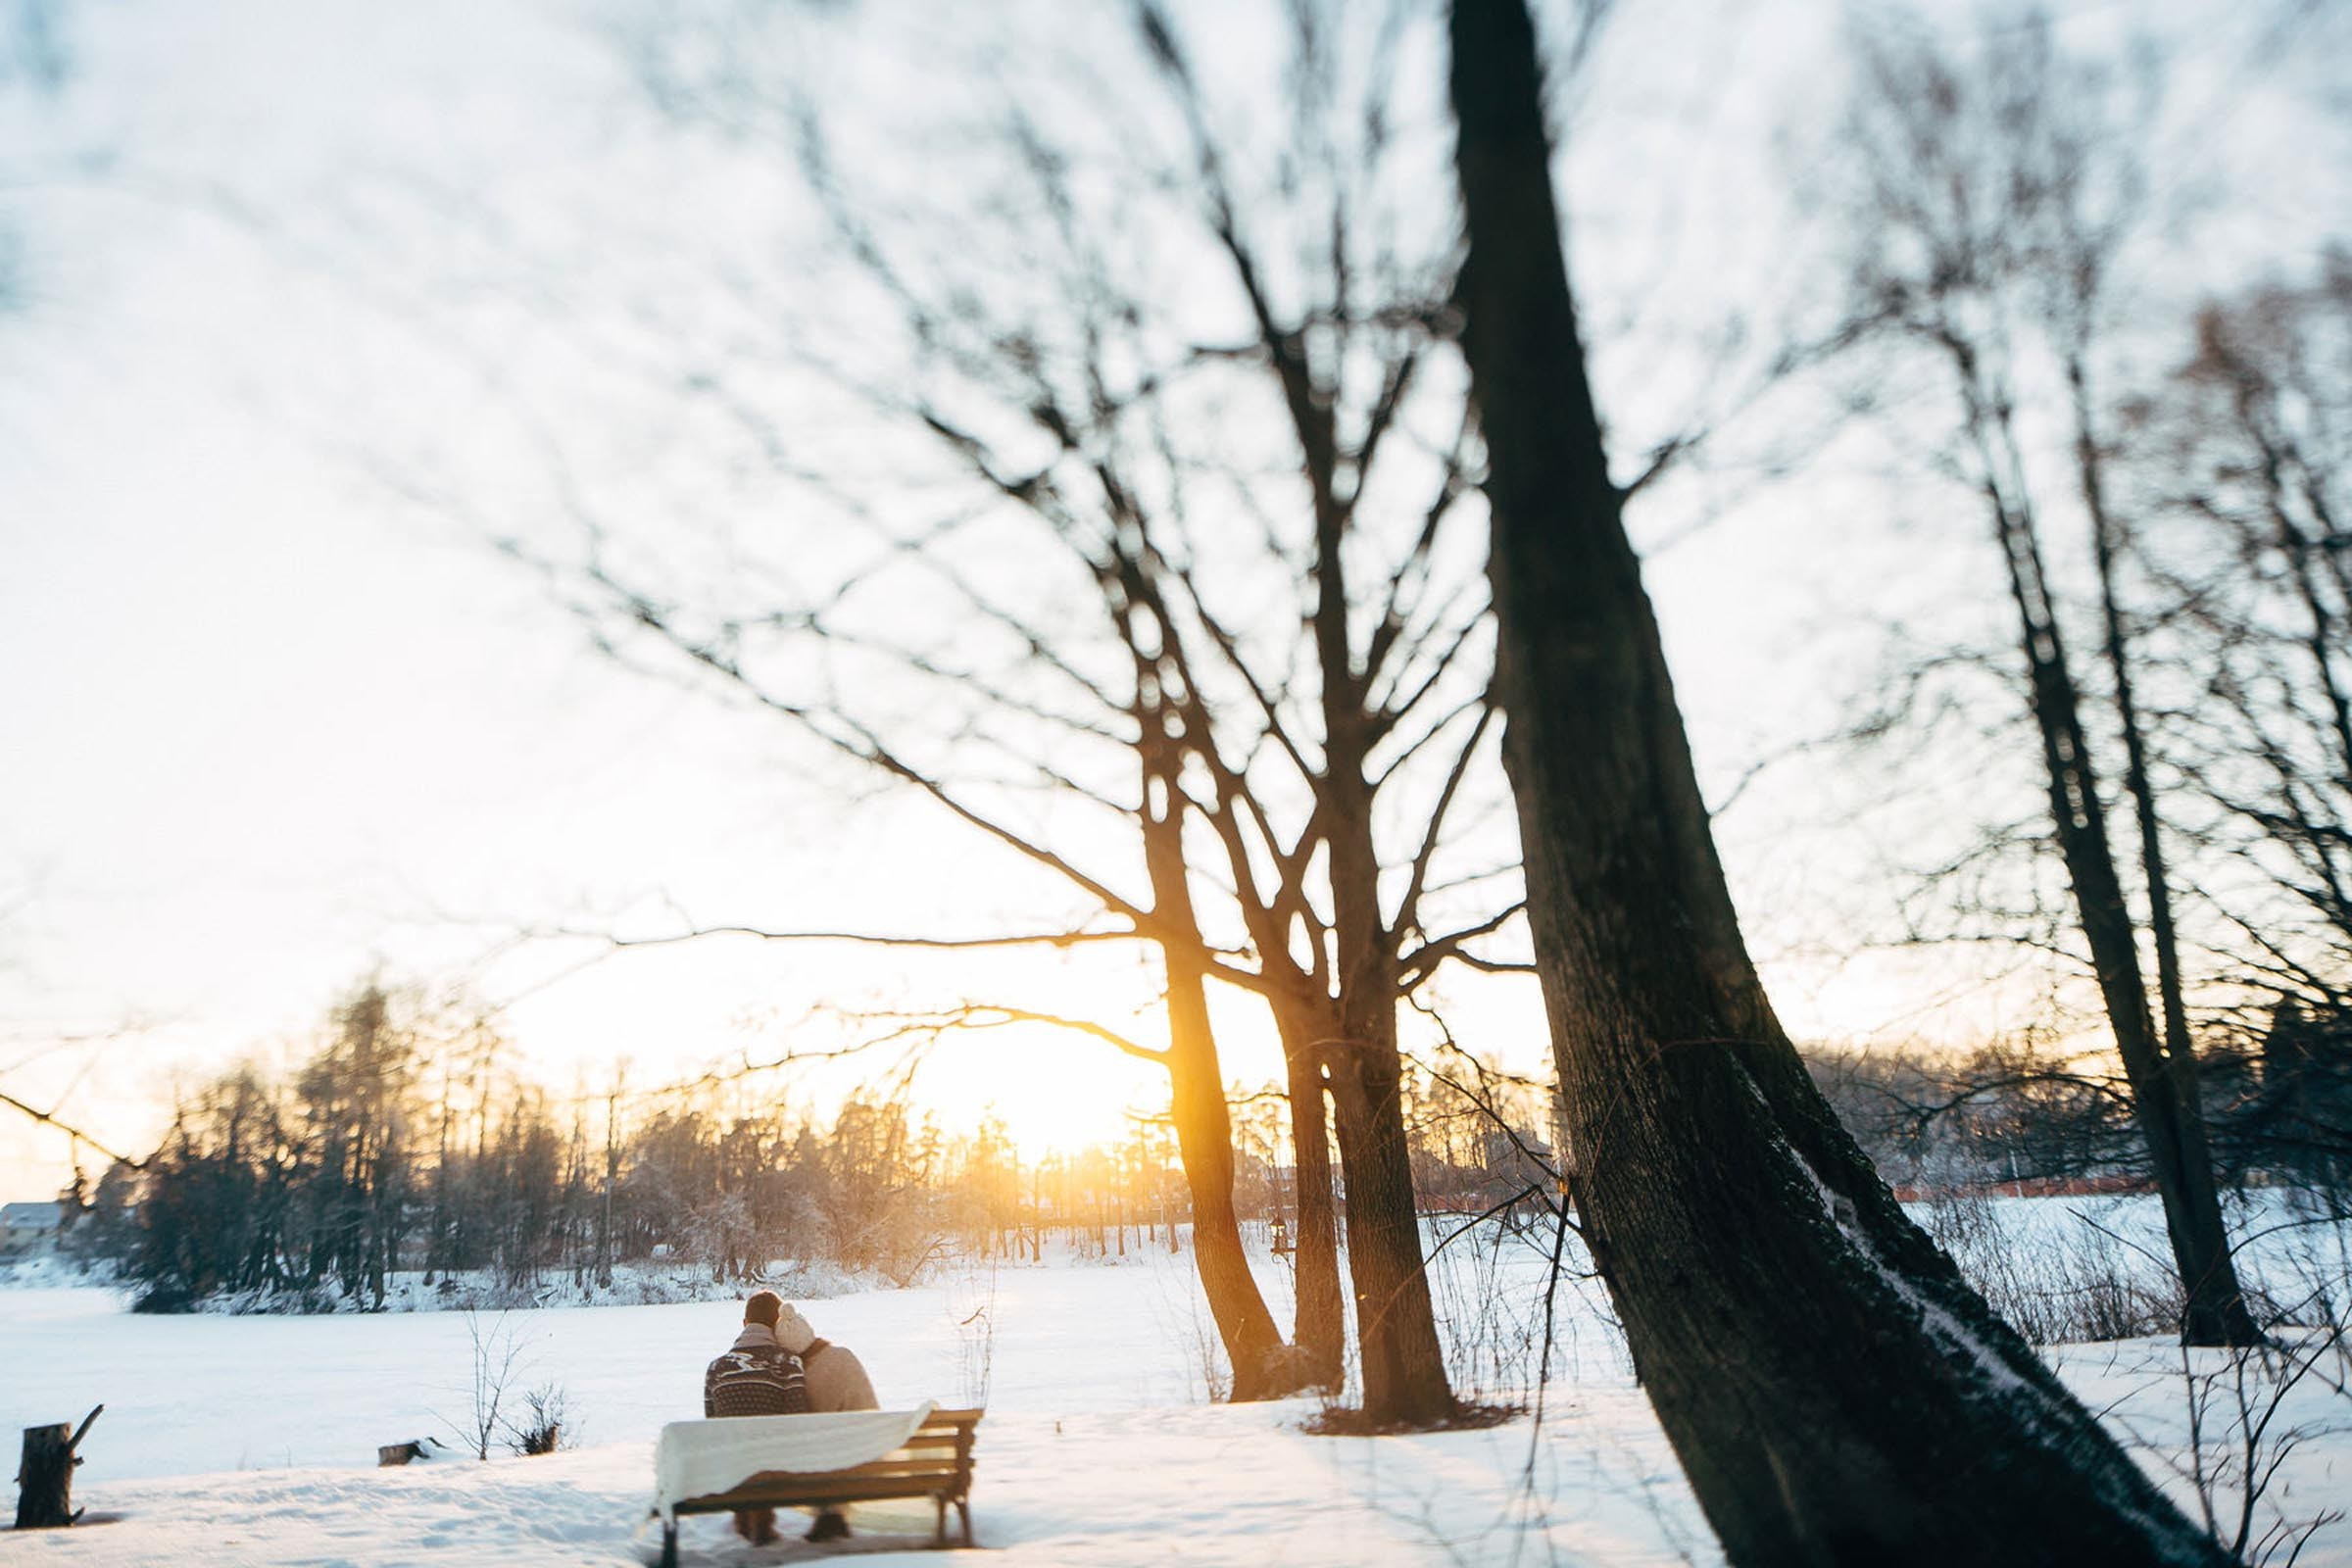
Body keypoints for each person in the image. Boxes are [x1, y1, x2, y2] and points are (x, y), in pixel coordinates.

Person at [703, 1290, 808, 1545]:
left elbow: (712, 1423)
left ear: (744, 1324)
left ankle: (745, 1519)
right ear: (778, 1325)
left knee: (738, 1451)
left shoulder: (716, 1368)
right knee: (770, 1450)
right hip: (778, 1471)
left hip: (731, 1472)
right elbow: (798, 1420)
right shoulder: (788, 1363)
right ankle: (762, 1523)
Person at [770, 1301, 880, 1543]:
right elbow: (871, 1407)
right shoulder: (844, 1355)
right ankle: (835, 1516)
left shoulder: (796, 1377)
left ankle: (828, 1515)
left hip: (827, 1464)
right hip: (869, 1453)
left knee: (815, 1451)